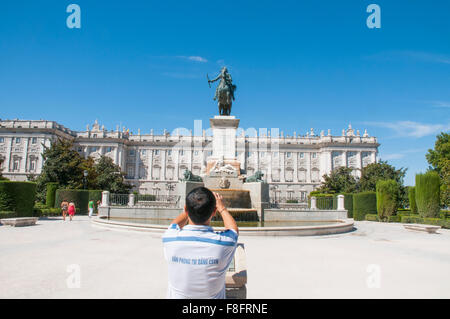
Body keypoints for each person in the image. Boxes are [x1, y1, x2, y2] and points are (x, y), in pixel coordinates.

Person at [162, 187, 239, 299]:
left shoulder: (169, 238)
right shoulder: (225, 243)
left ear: (186, 210)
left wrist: (190, 210)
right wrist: (222, 208)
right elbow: (233, 230)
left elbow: (173, 225)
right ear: (214, 212)